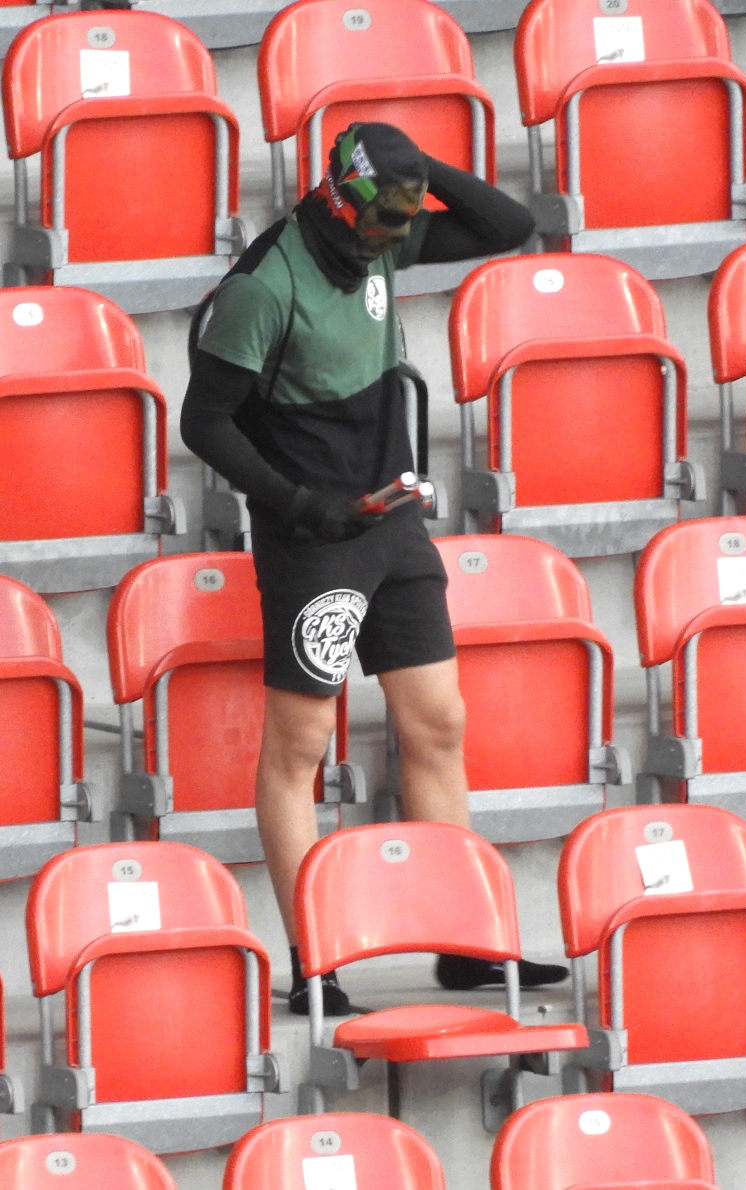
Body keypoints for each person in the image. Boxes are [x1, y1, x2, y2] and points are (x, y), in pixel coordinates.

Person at [182, 122, 566, 1015]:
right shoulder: (265, 285)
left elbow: (509, 225)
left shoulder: (383, 234)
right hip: (314, 539)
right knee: (300, 746)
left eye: (401, 222)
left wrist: (418, 171)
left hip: (393, 524)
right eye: (380, 221)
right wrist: (298, 504)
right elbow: (204, 422)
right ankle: (314, 966)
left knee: (439, 724)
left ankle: (465, 947)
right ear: (338, 201)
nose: (389, 242)